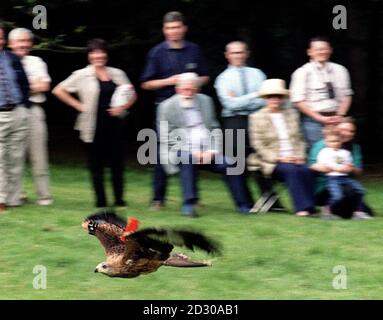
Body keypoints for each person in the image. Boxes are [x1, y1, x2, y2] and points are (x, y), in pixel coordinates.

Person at [53, 39, 136, 208]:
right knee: (96, 164)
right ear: (89, 55)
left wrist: (123, 107)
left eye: (102, 52)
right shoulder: (81, 74)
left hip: (115, 124)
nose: (99, 56)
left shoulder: (118, 73)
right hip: (92, 125)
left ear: (106, 54)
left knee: (116, 164)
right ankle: (101, 201)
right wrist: (78, 105)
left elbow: (132, 94)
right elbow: (58, 90)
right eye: (94, 52)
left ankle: (119, 200)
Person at [157, 73, 253, 217]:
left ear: (196, 89)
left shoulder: (206, 101)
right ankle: (189, 204)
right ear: (177, 89)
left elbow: (214, 128)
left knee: (231, 164)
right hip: (180, 151)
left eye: (191, 89)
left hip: (208, 152)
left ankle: (243, 205)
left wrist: (213, 151)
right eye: (184, 89)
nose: (188, 93)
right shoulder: (166, 106)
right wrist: (193, 152)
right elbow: (165, 136)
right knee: (188, 159)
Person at [140, 11, 209, 210]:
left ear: (184, 28)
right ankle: (158, 198)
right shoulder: (157, 52)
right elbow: (146, 84)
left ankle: (193, 198)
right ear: (164, 30)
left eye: (177, 27)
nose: (174, 31)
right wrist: (170, 81)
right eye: (170, 28)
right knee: (163, 152)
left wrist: (192, 81)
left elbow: (205, 77)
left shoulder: (194, 50)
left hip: (191, 108)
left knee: (193, 150)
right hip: (166, 109)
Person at [214, 40, 286, 213]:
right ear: (227, 55)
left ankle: (271, 203)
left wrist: (240, 99)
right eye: (234, 53)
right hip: (234, 122)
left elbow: (264, 100)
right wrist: (254, 95)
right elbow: (229, 105)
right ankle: (244, 204)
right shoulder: (222, 78)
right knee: (236, 165)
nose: (238, 56)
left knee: (263, 161)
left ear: (247, 54)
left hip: (258, 119)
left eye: (240, 52)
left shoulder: (258, 74)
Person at [248, 79, 316, 216]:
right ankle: (302, 208)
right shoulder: (256, 117)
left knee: (307, 170)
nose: (275, 99)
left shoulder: (292, 114)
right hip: (271, 161)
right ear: (265, 99)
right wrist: (280, 158)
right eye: (271, 96)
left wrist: (300, 156)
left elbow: (301, 139)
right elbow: (258, 145)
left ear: (283, 98)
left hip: (295, 157)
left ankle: (311, 207)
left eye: (278, 96)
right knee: (292, 171)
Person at [8, 27, 53, 206]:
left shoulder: (37, 61)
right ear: (11, 43)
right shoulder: (4, 61)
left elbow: (44, 86)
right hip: (11, 111)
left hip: (34, 110)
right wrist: (31, 85)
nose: (25, 44)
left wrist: (19, 86)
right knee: (13, 155)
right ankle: (16, 195)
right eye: (21, 41)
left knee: (39, 155)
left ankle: (44, 196)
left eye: (27, 41)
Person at [289, 36, 353, 147]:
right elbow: (298, 101)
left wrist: (340, 115)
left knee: (340, 153)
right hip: (313, 121)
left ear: (330, 50)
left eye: (325, 49)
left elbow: (347, 95)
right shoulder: (302, 72)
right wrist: (319, 118)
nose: (322, 52)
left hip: (338, 120)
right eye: (318, 49)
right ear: (310, 52)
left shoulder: (341, 70)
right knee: (317, 152)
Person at [309, 117, 373, 219]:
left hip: (345, 180)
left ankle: (351, 211)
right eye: (344, 130)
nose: (348, 133)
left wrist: (351, 168)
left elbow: (358, 170)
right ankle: (329, 208)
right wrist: (330, 168)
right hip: (326, 183)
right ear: (336, 129)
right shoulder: (322, 145)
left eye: (351, 131)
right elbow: (312, 164)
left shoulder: (354, 148)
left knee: (366, 208)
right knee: (348, 193)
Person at [0, 24, 30, 212]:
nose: (1, 41)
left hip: (18, 112)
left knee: (16, 158)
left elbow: (24, 84)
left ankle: (13, 198)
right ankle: (1, 198)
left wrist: (25, 106)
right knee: (0, 158)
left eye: (2, 37)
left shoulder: (11, 58)